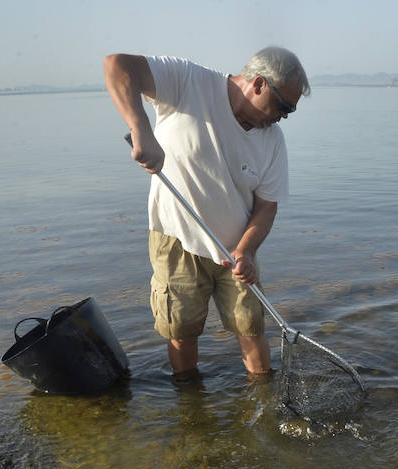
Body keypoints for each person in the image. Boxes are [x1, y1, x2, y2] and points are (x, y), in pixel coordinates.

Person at [103, 47, 309, 382]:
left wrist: (247, 249)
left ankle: (262, 398)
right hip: (176, 239)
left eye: (291, 111)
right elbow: (117, 65)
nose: (283, 117)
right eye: (283, 106)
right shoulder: (188, 82)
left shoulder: (272, 141)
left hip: (237, 249)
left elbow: (267, 206)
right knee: (181, 330)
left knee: (251, 326)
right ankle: (190, 405)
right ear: (258, 84)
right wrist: (141, 129)